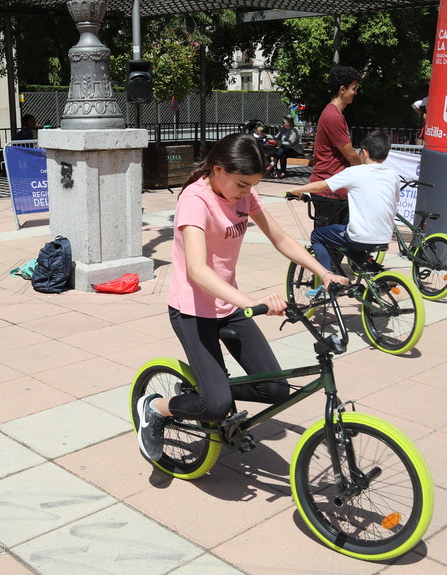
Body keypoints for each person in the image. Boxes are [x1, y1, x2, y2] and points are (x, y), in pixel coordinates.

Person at [134, 133, 350, 462]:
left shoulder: (243, 193)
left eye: (252, 186)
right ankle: (157, 409)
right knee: (217, 405)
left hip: (230, 306)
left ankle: (208, 389)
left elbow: (280, 238)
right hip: (193, 310)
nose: (247, 193)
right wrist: (248, 301)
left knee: (275, 389)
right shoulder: (195, 201)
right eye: (242, 185)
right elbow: (197, 270)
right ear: (218, 170)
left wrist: (325, 273)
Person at [285, 129, 400, 278]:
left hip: (360, 236)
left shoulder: (355, 172)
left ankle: (328, 278)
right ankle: (374, 271)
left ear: (364, 152)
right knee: (347, 239)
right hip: (384, 236)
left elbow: (322, 185)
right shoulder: (393, 175)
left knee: (318, 235)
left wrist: (295, 190)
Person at [308, 64, 363, 227]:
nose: (355, 93)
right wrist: (369, 168)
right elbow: (350, 155)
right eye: (353, 88)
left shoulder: (334, 114)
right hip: (328, 190)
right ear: (342, 89)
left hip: (333, 189)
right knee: (328, 245)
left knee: (340, 243)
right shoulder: (334, 117)